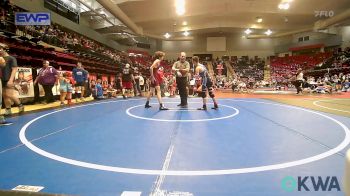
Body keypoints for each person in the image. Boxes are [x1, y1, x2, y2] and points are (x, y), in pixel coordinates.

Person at [0, 44, 24, 115]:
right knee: (4, 95)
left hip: (8, 78)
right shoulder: (0, 58)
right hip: (2, 79)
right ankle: (8, 109)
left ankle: (20, 106)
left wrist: (10, 80)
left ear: (5, 49)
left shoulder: (11, 58)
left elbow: (14, 69)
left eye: (0, 48)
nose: (0, 50)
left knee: (10, 94)